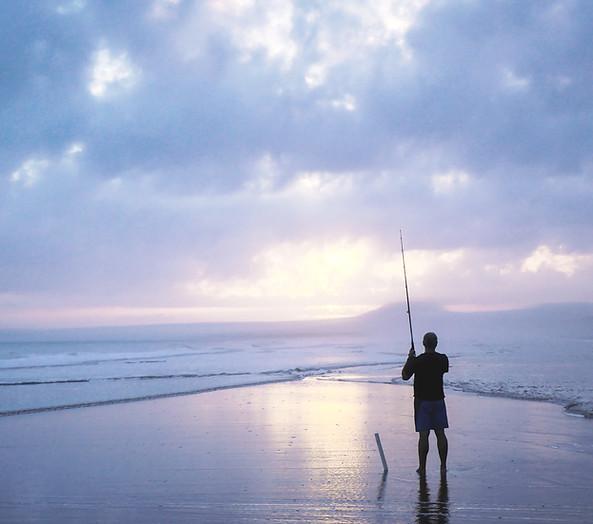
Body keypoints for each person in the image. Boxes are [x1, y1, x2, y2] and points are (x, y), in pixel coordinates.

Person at [402, 332, 449, 475]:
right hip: (438, 400)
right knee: (440, 434)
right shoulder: (442, 359)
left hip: (422, 402)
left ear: (423, 343)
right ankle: (443, 466)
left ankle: (422, 467)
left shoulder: (417, 361)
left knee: (424, 435)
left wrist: (410, 358)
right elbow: (444, 369)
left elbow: (404, 376)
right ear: (436, 343)